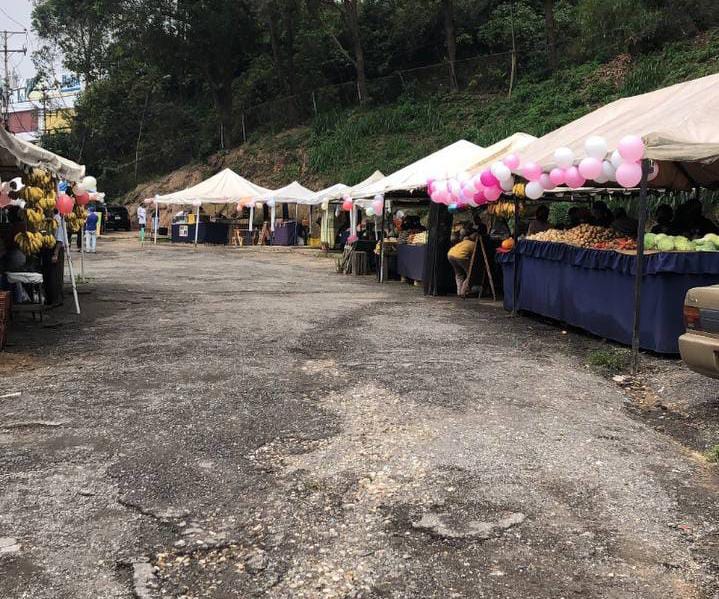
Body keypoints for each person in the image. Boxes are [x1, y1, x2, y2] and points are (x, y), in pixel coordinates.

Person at [447, 230, 476, 297]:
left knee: (459, 274)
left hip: (450, 255)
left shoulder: (463, 242)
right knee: (470, 274)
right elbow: (474, 256)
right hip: (461, 257)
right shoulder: (474, 244)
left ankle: (459, 292)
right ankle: (464, 291)